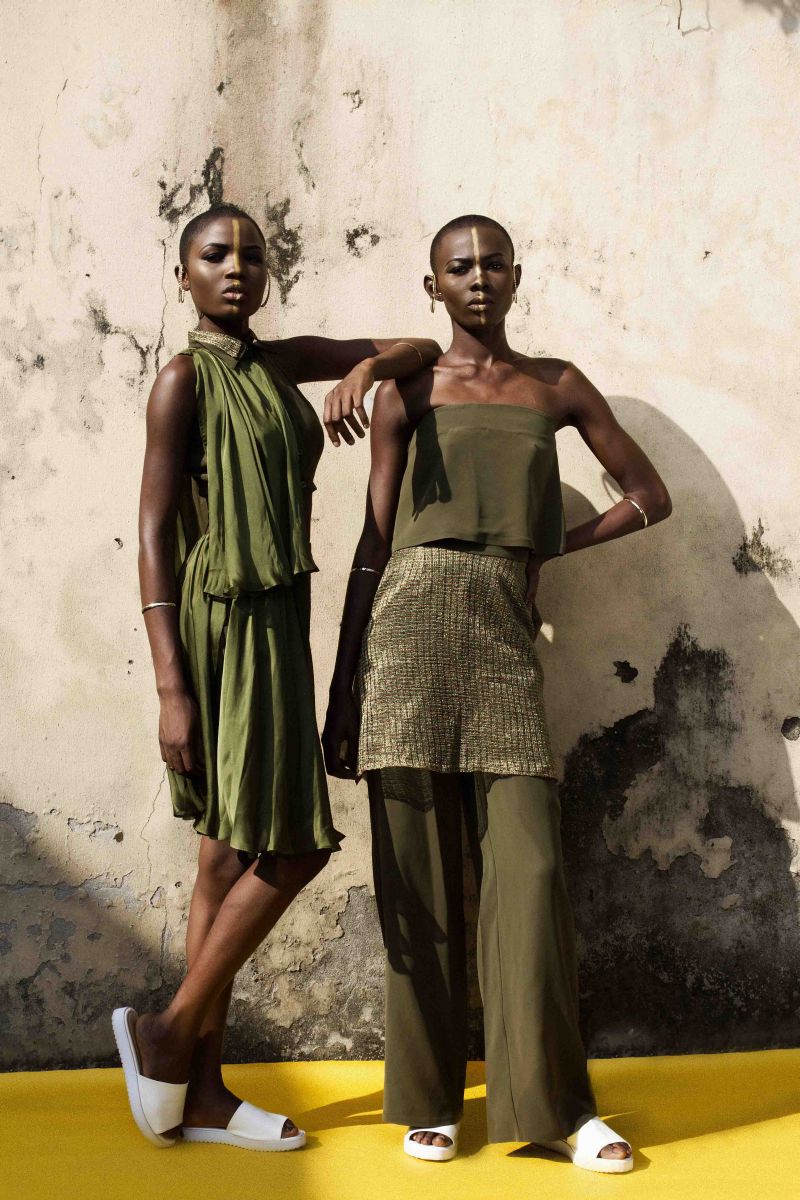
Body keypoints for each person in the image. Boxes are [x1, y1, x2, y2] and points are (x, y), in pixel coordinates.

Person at [322, 213, 672, 1173]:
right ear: (432, 284)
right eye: (458, 266)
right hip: (404, 634)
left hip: (502, 638)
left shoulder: (556, 386)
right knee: (419, 883)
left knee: (530, 874)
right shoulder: (407, 389)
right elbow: (373, 544)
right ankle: (429, 1099)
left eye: (492, 264)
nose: (478, 278)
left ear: (518, 276)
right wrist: (343, 692)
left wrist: (552, 544)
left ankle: (555, 1107)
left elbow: (648, 494)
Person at [112, 203, 441, 1153]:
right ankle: (168, 1035)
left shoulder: (279, 359)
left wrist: (367, 370)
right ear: (183, 274)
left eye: (253, 256)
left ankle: (199, 1090)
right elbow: (152, 531)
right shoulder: (183, 379)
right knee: (291, 846)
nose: (237, 269)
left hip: (279, 617)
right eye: (215, 255)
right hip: (222, 623)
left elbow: (420, 345)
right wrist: (171, 687)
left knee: (224, 857)